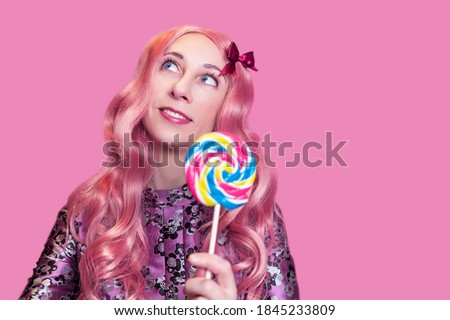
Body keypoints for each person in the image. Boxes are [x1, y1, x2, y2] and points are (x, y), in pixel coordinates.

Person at [19, 25, 300, 300]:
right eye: (170, 66)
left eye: (208, 79)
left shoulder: (255, 219)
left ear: (225, 108)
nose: (180, 89)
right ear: (144, 83)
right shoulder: (89, 209)